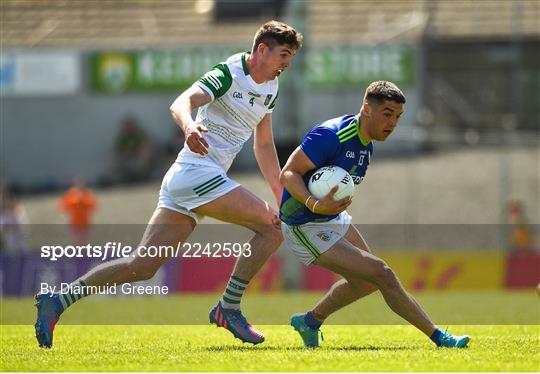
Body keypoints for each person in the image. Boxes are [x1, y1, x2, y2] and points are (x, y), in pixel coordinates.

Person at [34, 20, 303, 348]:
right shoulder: (229, 73)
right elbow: (181, 102)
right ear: (262, 50)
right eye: (284, 55)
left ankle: (58, 300)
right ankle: (228, 307)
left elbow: (262, 145)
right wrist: (190, 128)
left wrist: (280, 193)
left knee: (142, 266)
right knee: (271, 229)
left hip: (188, 181)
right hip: (198, 175)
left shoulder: (270, 88)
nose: (287, 64)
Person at [279, 81, 470, 349]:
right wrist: (313, 203)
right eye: (388, 114)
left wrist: (327, 206)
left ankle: (310, 321)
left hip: (331, 218)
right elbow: (288, 173)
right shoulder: (331, 135)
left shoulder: (366, 144)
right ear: (367, 108)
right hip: (304, 224)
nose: (393, 123)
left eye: (398, 117)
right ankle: (440, 338)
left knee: (367, 283)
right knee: (382, 274)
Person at [58, 177, 97, 245]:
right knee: (77, 242)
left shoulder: (87, 193)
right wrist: (76, 201)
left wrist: (83, 201)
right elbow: (64, 205)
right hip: (75, 222)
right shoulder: (71, 193)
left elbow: (93, 205)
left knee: (84, 242)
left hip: (85, 222)